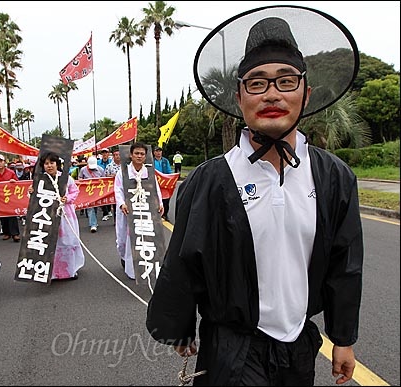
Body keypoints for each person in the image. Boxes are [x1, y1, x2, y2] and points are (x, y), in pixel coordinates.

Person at [146, 8, 363, 386]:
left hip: (297, 346)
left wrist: (343, 339)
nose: (273, 94)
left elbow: (345, 265)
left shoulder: (333, 178)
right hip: (231, 347)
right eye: (258, 83)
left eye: (286, 81)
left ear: (306, 93)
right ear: (240, 97)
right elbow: (183, 259)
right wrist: (179, 324)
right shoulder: (210, 180)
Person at [31, 151, 85, 280]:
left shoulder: (65, 178)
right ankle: (53, 272)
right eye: (46, 163)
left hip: (66, 214)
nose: (49, 166)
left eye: (52, 163)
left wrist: (68, 198)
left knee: (69, 241)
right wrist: (31, 192)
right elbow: (34, 197)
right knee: (51, 243)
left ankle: (71, 270)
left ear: (57, 164)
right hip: (48, 216)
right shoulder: (40, 180)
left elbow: (75, 191)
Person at [114, 142, 164, 279]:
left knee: (142, 238)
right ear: (131, 155)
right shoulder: (122, 173)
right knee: (124, 238)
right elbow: (118, 189)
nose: (139, 156)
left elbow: (156, 189)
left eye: (142, 154)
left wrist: (159, 203)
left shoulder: (149, 172)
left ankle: (141, 266)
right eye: (136, 153)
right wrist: (121, 203)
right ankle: (125, 259)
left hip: (145, 210)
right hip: (128, 211)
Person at [0, 154, 21, 242]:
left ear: (4, 162)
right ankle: (6, 232)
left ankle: (15, 234)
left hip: (10, 197)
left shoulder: (11, 172)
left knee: (12, 215)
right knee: (2, 215)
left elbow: (18, 184)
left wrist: (14, 181)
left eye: (0, 161)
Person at [78, 155, 105, 233]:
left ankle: (94, 221)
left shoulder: (101, 170)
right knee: (90, 208)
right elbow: (80, 178)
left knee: (95, 207)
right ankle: (93, 224)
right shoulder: (83, 170)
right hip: (87, 192)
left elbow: (104, 180)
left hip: (97, 192)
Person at [153, 146, 173, 221]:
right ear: (154, 152)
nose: (158, 153)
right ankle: (156, 213)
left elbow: (169, 171)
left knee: (166, 199)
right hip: (155, 182)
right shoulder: (151, 160)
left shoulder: (165, 161)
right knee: (155, 199)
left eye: (160, 151)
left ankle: (165, 214)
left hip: (164, 182)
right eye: (157, 151)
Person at [104, 148, 122, 221]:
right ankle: (116, 221)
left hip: (124, 187)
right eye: (115, 155)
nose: (117, 156)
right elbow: (104, 177)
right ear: (113, 156)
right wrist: (111, 176)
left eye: (118, 155)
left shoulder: (125, 165)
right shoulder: (109, 166)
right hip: (113, 188)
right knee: (115, 205)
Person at [97, 148, 113, 221]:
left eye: (106, 153)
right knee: (102, 197)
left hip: (110, 183)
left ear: (108, 154)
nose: (104, 154)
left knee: (109, 196)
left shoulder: (111, 162)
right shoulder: (98, 162)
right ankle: (105, 213)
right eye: (103, 153)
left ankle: (109, 210)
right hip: (101, 183)